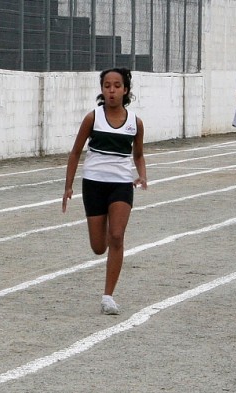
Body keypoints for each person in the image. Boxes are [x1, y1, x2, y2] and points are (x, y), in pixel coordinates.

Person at [62, 68, 147, 315]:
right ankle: (104, 243)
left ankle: (108, 296)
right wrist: (68, 186)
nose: (111, 90)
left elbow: (138, 154)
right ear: (102, 90)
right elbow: (75, 152)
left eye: (117, 86)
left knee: (117, 236)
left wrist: (142, 174)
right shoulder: (93, 118)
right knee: (99, 246)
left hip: (121, 184)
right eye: (107, 86)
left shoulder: (135, 123)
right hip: (94, 183)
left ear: (126, 90)